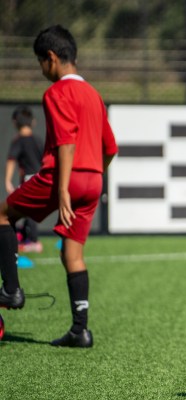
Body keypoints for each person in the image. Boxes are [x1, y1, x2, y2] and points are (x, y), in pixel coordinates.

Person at [0, 25, 118, 348]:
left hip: (61, 178)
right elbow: (111, 147)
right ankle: (80, 331)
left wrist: (64, 188)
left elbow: (66, 142)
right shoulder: (94, 95)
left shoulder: (55, 93)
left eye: (40, 62)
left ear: (51, 58)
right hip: (93, 180)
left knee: (2, 214)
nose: (42, 70)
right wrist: (94, 176)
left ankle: (11, 289)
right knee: (72, 254)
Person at [5, 106, 45, 253]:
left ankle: (33, 241)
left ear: (15, 122)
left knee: (27, 210)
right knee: (29, 210)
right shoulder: (38, 140)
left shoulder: (18, 141)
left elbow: (11, 160)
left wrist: (7, 181)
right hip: (40, 178)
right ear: (33, 121)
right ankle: (26, 236)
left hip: (29, 180)